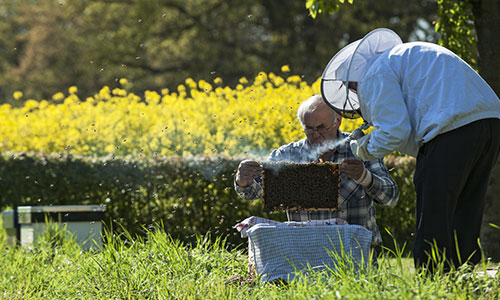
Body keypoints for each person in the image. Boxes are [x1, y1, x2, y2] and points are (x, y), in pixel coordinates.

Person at [321, 28, 500, 272]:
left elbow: (394, 131)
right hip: (489, 123)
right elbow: (411, 131)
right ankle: (464, 277)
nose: (354, 93)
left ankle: (430, 279)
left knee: (434, 210)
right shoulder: (402, 58)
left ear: (354, 79)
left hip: (451, 129)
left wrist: (363, 150)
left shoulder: (374, 73)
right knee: (466, 208)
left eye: (352, 89)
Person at [234, 94, 399, 251]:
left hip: (355, 251)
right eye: (309, 129)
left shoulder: (361, 149)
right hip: (304, 253)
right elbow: (252, 193)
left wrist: (365, 178)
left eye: (321, 128)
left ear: (338, 121)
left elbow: (391, 197)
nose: (316, 135)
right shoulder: (286, 155)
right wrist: (243, 179)